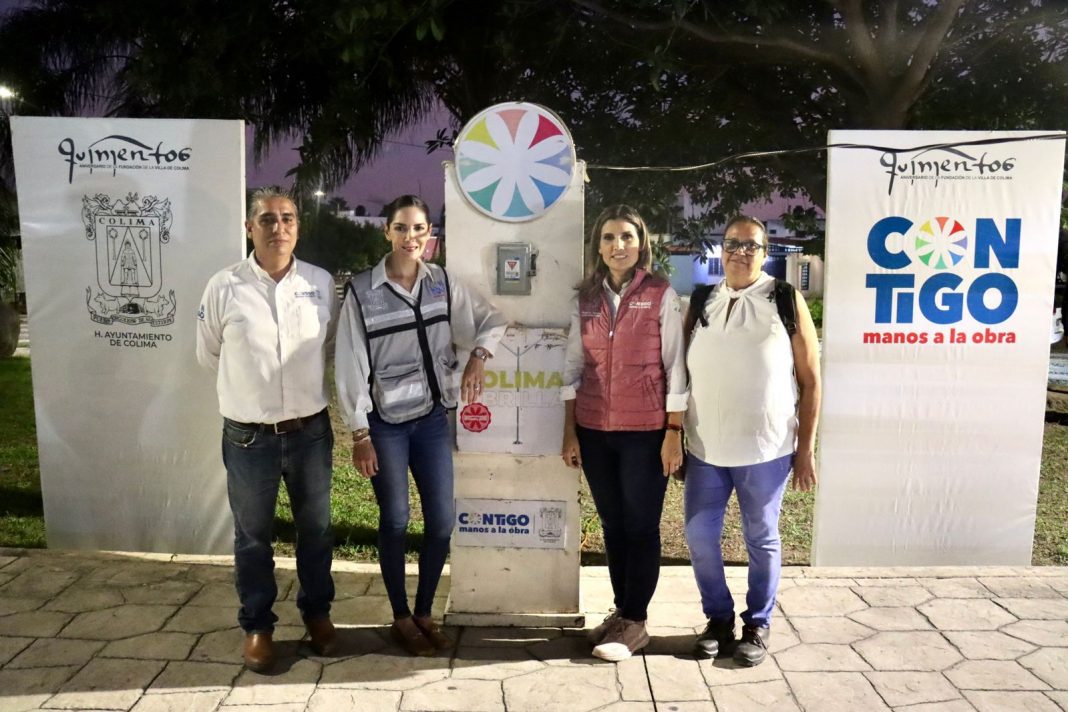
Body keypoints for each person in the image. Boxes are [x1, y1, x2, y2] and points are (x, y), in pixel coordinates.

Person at [335, 194, 506, 656]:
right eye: (401, 228)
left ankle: (425, 612)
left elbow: (492, 319)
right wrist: (360, 433)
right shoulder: (363, 291)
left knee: (441, 523)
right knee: (394, 520)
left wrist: (479, 356)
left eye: (419, 229)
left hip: (431, 420)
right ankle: (400, 617)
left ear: (430, 234)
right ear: (386, 232)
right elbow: (349, 363)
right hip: (386, 425)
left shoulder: (441, 283)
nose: (410, 237)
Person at [196, 187, 339, 672]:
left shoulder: (320, 283)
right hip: (249, 437)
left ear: (298, 226)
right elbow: (209, 353)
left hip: (310, 433)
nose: (279, 227)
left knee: (316, 530)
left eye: (288, 218)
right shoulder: (224, 286)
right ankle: (258, 625)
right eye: (267, 219)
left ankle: (317, 614)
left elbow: (329, 346)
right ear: (249, 228)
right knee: (252, 536)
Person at [682, 215, 821, 667]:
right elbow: (678, 373)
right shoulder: (702, 300)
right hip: (705, 447)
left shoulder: (784, 299)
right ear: (720, 249)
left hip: (766, 449)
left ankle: (757, 624)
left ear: (765, 253)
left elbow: (811, 380)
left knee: (761, 538)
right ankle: (718, 619)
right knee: (699, 535)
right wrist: (672, 432)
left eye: (751, 246)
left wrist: (805, 450)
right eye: (732, 244)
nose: (740, 252)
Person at [560, 204, 687, 662]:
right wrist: (570, 431)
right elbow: (572, 367)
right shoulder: (585, 299)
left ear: (641, 243)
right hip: (595, 431)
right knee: (613, 526)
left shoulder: (660, 294)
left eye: (627, 237)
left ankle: (636, 621)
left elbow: (676, 367)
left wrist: (673, 430)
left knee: (641, 526)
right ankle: (622, 612)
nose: (619, 246)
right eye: (610, 237)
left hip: (645, 431)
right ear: (598, 246)